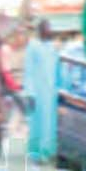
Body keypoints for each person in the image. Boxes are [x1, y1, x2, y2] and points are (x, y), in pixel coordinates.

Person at [23, 19, 60, 163]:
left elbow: (57, 70)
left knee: (50, 123)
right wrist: (29, 93)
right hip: (37, 92)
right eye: (45, 28)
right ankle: (35, 153)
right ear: (39, 30)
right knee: (37, 123)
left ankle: (48, 152)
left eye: (49, 28)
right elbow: (29, 70)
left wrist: (61, 88)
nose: (48, 31)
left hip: (51, 92)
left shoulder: (52, 48)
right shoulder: (32, 46)